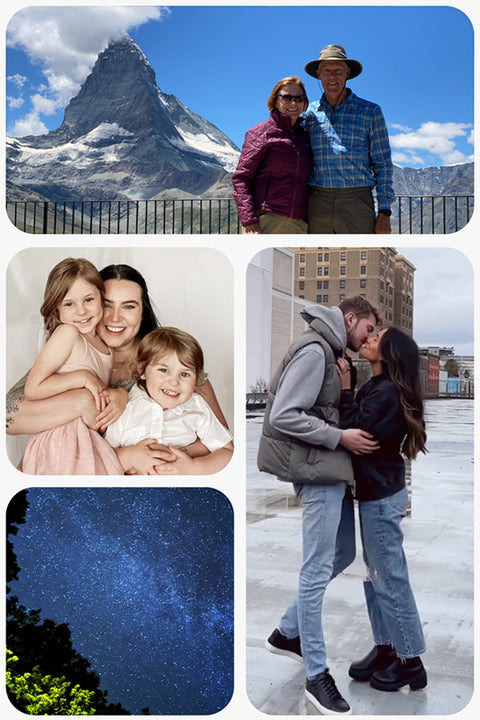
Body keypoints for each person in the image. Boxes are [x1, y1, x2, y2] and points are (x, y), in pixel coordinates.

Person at [257, 296, 380, 715]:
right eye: (367, 329)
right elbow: (283, 416)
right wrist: (339, 437)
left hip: (329, 470)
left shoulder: (329, 352)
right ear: (349, 319)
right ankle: (316, 674)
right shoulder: (314, 351)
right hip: (317, 471)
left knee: (342, 553)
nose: (368, 339)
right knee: (315, 570)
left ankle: (288, 632)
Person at [6, 263, 229, 473]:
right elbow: (9, 416)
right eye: (106, 304)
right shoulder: (74, 354)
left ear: (143, 312)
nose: (115, 317)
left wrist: (161, 457)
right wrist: (83, 400)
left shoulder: (174, 366)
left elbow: (221, 446)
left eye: (129, 306)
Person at [337, 327, 427, 692]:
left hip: (380, 497)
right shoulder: (378, 386)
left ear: (390, 353)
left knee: (388, 578)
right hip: (375, 493)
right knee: (375, 578)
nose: (370, 337)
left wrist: (344, 391)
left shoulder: (388, 392)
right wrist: (353, 387)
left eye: (379, 337)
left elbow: (358, 433)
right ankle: (387, 647)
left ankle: (411, 660)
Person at [21, 258, 124, 475]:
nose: (81, 311)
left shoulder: (105, 345)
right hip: (59, 440)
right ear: (56, 309)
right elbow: (33, 388)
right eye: (69, 304)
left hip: (88, 439)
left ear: (101, 298)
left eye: (88, 299)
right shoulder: (68, 334)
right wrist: (82, 377)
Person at [105, 327, 233, 475]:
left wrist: (194, 467)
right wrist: (132, 457)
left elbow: (227, 452)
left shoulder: (197, 407)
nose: (174, 382)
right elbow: (104, 457)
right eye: (164, 370)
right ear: (142, 369)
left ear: (197, 377)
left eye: (184, 374)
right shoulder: (126, 408)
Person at [303, 44, 395, 234]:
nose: (332, 77)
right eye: (327, 71)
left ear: (347, 73)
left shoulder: (370, 111)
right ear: (318, 75)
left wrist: (384, 211)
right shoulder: (308, 115)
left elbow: (382, 163)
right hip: (317, 201)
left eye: (338, 71)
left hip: (357, 202)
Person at [232, 76, 313, 234]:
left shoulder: (305, 135)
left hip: (299, 224)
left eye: (299, 98)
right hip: (266, 221)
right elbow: (241, 178)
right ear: (275, 100)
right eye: (287, 97)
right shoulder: (261, 132)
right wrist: (249, 221)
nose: (294, 103)